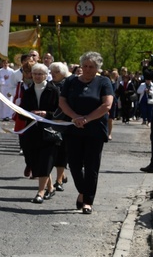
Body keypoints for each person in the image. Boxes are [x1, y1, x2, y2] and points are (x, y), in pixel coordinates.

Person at [58, 51, 114, 215]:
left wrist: (87, 119)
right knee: (74, 165)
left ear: (97, 68)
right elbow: (62, 101)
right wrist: (75, 117)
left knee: (91, 167)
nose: (88, 69)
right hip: (74, 128)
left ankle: (88, 201)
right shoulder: (71, 81)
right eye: (85, 66)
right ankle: (82, 191)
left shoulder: (104, 82)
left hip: (94, 130)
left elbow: (107, 105)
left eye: (92, 67)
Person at [20, 63, 61, 203]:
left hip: (49, 131)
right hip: (31, 131)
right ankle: (50, 187)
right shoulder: (28, 91)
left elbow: (59, 111)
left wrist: (46, 114)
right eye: (35, 73)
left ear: (45, 75)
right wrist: (30, 114)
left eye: (40, 74)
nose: (37, 76)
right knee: (34, 160)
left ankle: (40, 192)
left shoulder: (53, 90)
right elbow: (21, 111)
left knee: (45, 160)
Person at [49, 61, 72, 191]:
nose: (54, 74)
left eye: (57, 72)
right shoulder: (49, 85)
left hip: (65, 121)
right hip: (51, 121)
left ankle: (59, 180)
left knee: (62, 151)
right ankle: (59, 176)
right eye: (52, 72)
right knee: (53, 151)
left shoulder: (69, 85)